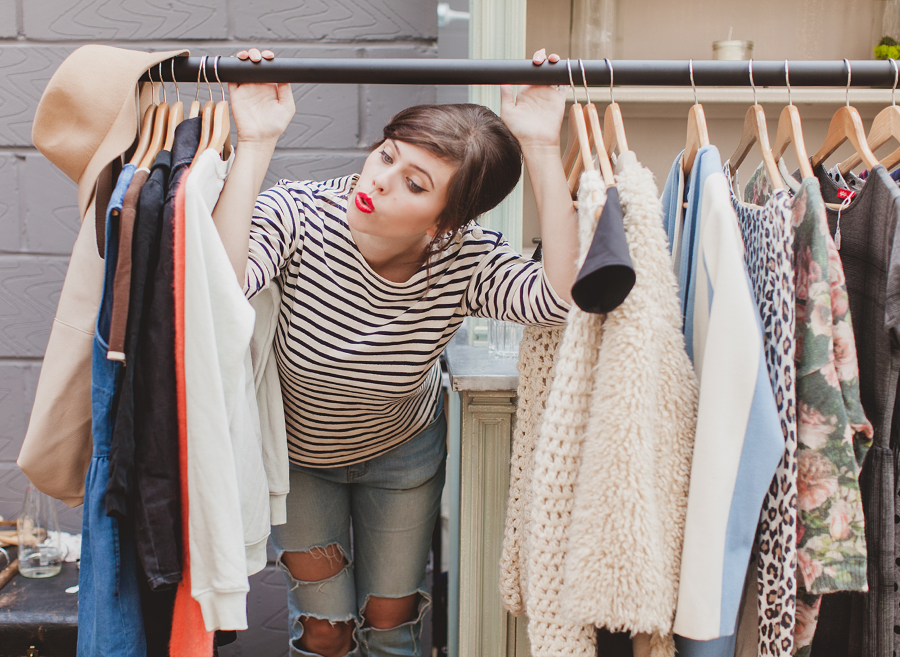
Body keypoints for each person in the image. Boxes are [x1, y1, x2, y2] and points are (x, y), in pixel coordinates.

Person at [213, 46, 576, 657]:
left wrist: (541, 145)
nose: (379, 178)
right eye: (386, 155)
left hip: (402, 458)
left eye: (414, 183)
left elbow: (560, 299)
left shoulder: (463, 258)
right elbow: (220, 289)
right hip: (300, 464)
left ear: (443, 224)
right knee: (325, 630)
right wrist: (254, 143)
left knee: (392, 625)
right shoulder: (298, 215)